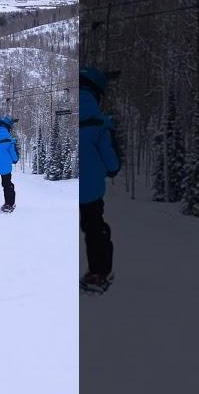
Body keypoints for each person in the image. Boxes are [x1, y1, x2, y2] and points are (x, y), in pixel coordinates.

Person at [79, 66, 121, 293]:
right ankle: (98, 274)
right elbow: (112, 163)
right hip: (90, 190)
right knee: (95, 229)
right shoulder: (99, 124)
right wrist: (111, 169)